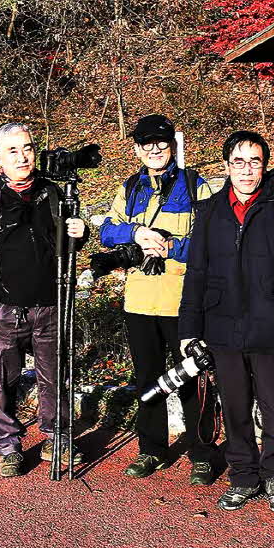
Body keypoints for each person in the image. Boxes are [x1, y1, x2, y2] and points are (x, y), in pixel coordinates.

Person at [179, 131, 274, 512]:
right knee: (235, 407)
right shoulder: (210, 211)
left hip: (271, 325)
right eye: (238, 162)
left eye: (254, 162)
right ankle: (243, 476)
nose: (246, 170)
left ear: (264, 166)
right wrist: (189, 329)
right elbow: (196, 272)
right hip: (222, 325)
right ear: (226, 166)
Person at [98, 114, 219, 485]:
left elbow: (211, 242)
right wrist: (136, 233)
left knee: (193, 380)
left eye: (161, 143)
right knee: (146, 379)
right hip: (139, 301)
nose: (154, 150)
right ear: (137, 149)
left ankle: (202, 453)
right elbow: (106, 231)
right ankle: (151, 449)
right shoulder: (130, 187)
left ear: (173, 146)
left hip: (183, 302)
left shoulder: (196, 186)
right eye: (146, 144)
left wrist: (170, 247)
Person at [0, 123, 87, 477]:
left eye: (28, 148)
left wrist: (81, 233)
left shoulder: (53, 194)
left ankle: (57, 437)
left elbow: (67, 246)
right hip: (6, 310)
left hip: (50, 304)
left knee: (54, 377)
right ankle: (8, 445)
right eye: (13, 151)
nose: (22, 157)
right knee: (2, 381)